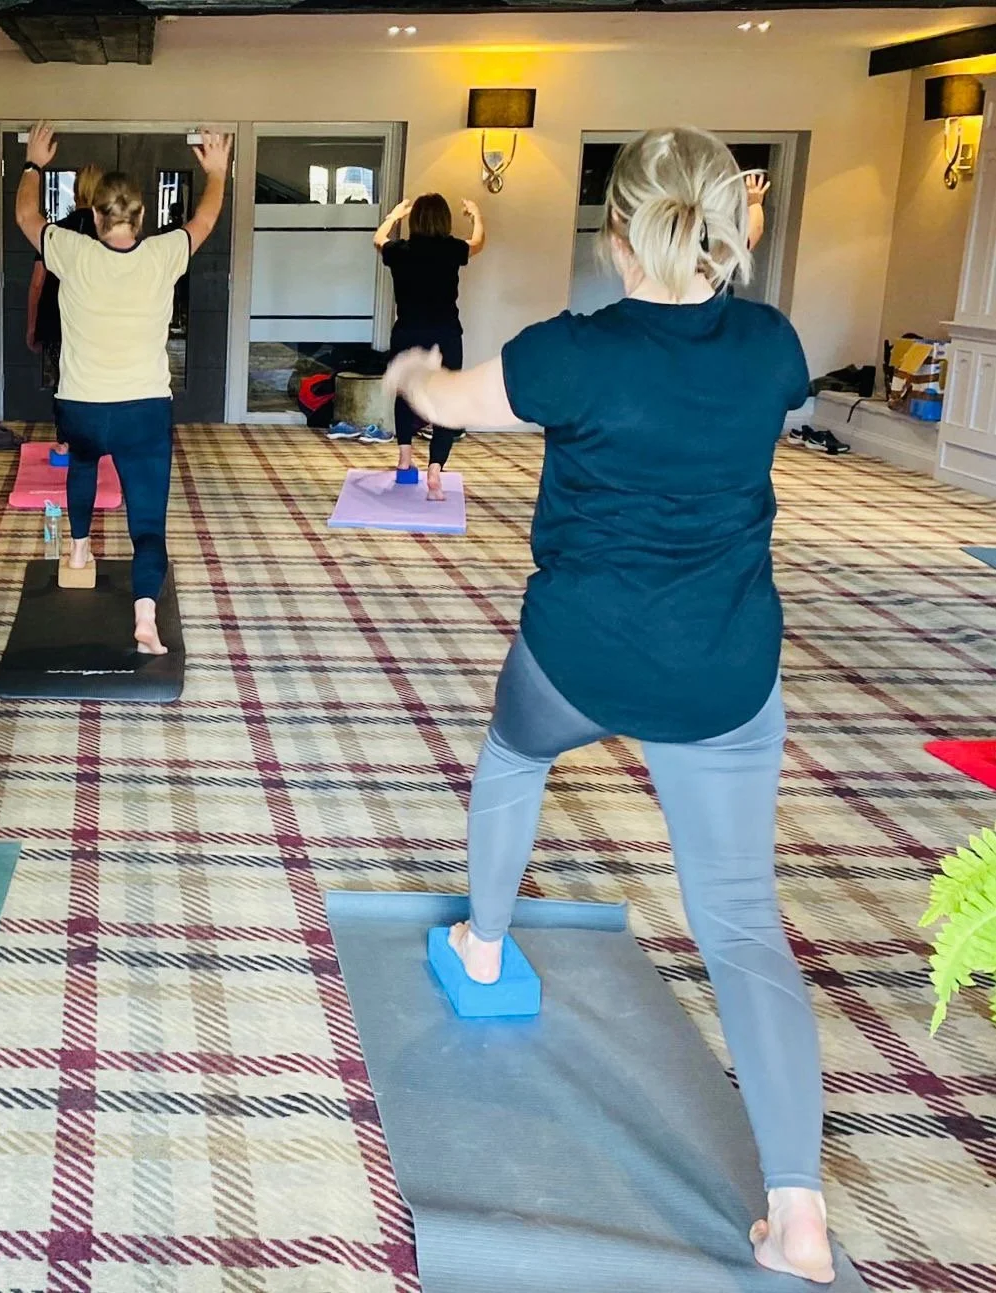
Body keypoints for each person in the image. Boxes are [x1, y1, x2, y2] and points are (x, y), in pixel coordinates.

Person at [384, 127, 833, 1284]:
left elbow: (450, 396)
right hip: (723, 669)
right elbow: (731, 345)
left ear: (614, 231)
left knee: (510, 762)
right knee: (739, 923)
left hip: (579, 654)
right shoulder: (773, 346)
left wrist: (405, 378)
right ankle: (800, 1218)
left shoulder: (567, 356)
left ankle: (483, 949)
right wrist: (740, 240)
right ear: (732, 223)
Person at [13, 123, 229, 656]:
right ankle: (145, 619)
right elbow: (204, 219)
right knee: (148, 520)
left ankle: (81, 552)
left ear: (93, 214)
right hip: (143, 410)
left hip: (82, 407)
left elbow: (25, 216)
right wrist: (218, 172)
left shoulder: (71, 250)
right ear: (141, 218)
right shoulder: (163, 254)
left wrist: (34, 164)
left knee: (83, 467)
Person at [374, 192, 484, 501]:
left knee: (405, 395)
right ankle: (435, 470)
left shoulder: (399, 251)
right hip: (445, 334)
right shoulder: (452, 250)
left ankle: (405, 460)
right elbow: (478, 242)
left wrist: (394, 216)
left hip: (407, 332)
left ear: (415, 220)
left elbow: (377, 239)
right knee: (446, 402)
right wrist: (475, 214)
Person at [26, 162, 103, 459]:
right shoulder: (109, 237)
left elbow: (36, 284)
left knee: (65, 384)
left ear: (76, 191)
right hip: (95, 326)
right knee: (96, 383)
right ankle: (95, 444)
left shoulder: (55, 233)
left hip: (57, 324)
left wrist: (32, 328)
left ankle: (66, 443)